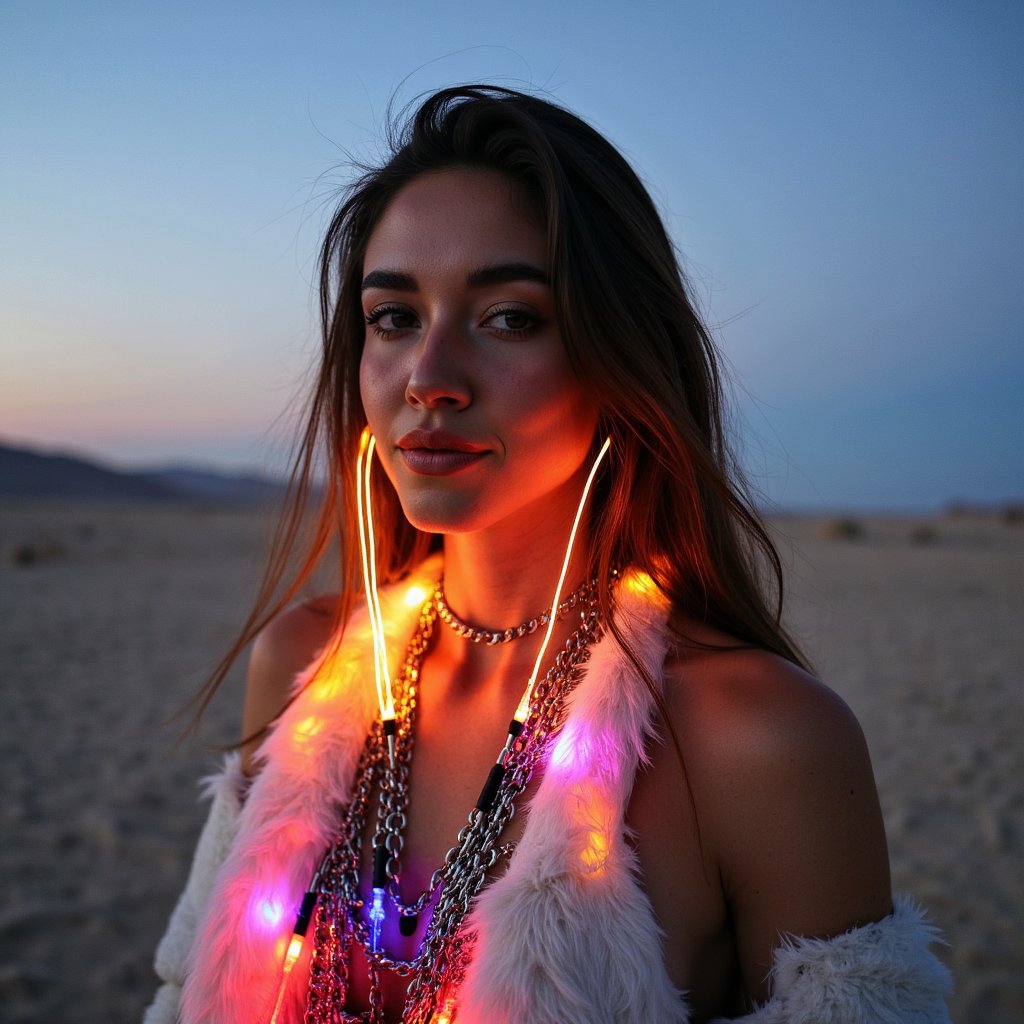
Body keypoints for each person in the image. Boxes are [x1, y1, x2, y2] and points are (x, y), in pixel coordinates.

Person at [143, 85, 952, 1024]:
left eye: (510, 316)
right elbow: (181, 998)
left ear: (619, 356)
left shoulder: (761, 741)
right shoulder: (300, 667)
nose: (430, 379)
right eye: (394, 318)